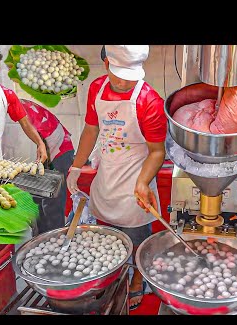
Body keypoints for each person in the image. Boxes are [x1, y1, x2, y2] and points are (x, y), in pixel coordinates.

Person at [66, 45, 167, 311]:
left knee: (136, 239)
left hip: (136, 178)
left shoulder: (149, 100)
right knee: (108, 239)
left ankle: (136, 280)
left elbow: (157, 152)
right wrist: (76, 167)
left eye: (130, 75)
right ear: (108, 63)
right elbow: (91, 129)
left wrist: (143, 182)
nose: (124, 82)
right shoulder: (97, 89)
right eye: (119, 74)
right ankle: (112, 276)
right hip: (108, 176)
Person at [19, 98, 74, 233]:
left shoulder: (18, 109)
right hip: (44, 153)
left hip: (59, 150)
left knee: (52, 202)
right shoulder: (12, 105)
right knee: (36, 200)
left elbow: (27, 144)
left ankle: (54, 238)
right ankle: (41, 237)